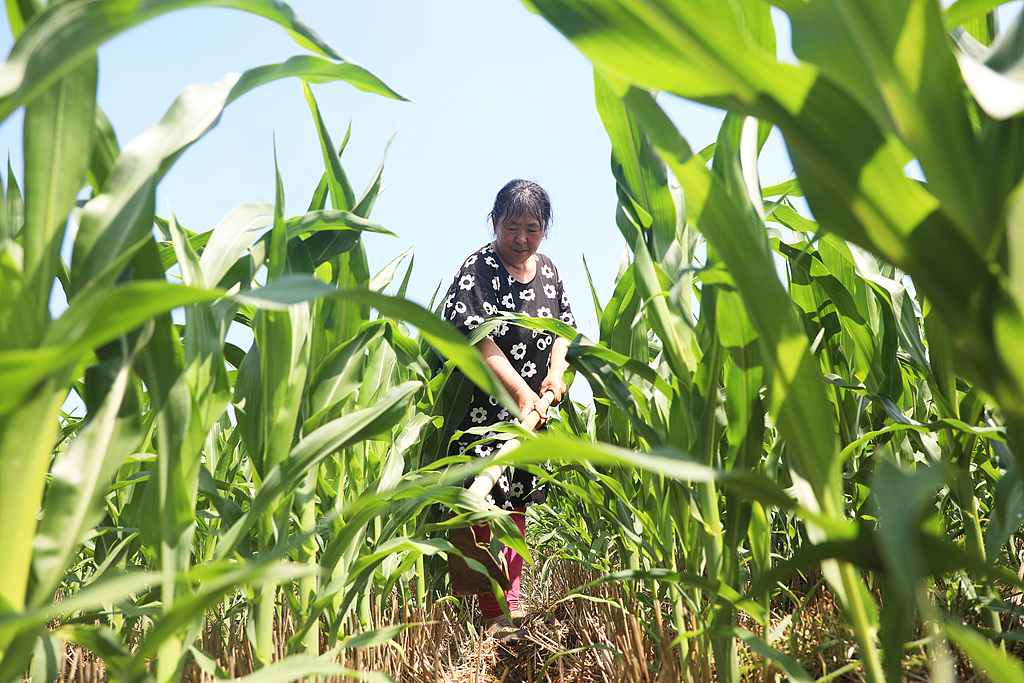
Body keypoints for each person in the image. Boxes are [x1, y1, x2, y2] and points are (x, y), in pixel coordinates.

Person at [440, 178, 575, 636]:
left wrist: (554, 376)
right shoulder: (478, 269)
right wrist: (519, 394)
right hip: (483, 409)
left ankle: (510, 605)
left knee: (518, 499)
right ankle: (492, 613)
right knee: (478, 503)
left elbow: (563, 330)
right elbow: (479, 339)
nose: (521, 238)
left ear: (545, 229)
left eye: (532, 228)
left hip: (534, 410)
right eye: (511, 226)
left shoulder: (550, 271)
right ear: (494, 222)